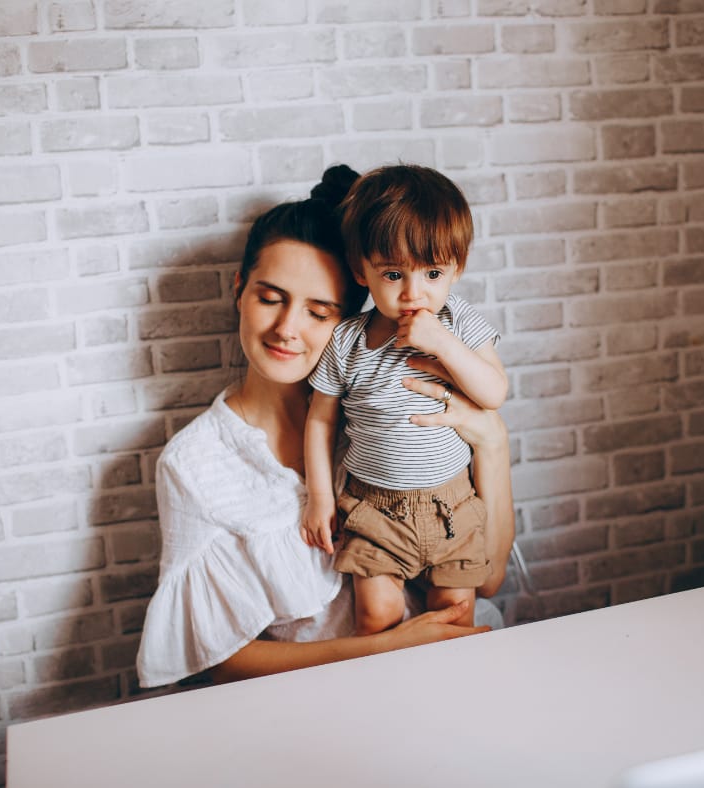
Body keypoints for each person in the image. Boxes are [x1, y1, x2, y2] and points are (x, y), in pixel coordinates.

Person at [135, 165, 514, 688]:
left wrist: (492, 439)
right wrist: (379, 650)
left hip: (459, 675)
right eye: (270, 298)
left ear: (350, 323)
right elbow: (213, 659)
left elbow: (489, 579)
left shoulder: (402, 410)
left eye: (319, 311)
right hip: (333, 705)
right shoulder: (195, 464)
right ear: (240, 289)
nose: (287, 329)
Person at [301, 165, 508, 635]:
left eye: (432, 273)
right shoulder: (349, 342)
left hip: (453, 504)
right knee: (375, 616)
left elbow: (494, 391)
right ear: (362, 272)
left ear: (457, 268)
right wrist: (318, 498)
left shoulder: (457, 322)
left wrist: (444, 345)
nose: (415, 293)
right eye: (394, 274)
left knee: (456, 610)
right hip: (375, 507)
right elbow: (320, 421)